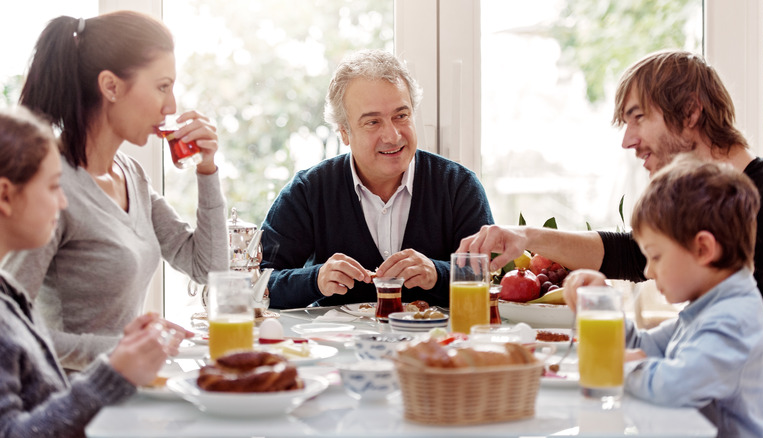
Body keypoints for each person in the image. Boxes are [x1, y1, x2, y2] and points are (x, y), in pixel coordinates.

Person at [456, 49, 763, 418]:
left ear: (690, 112)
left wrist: (630, 364)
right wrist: (528, 238)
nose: (628, 140)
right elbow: (630, 254)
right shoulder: (701, 219)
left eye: (638, 118)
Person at [0, 11, 229, 371]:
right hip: (69, 399)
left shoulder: (130, 173)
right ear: (111, 87)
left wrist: (207, 168)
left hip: (125, 388)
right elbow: (13, 327)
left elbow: (209, 268)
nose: (171, 106)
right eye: (162, 86)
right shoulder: (54, 187)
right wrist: (129, 348)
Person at [0, 106, 191, 438]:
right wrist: (113, 371)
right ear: (5, 195)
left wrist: (125, 346)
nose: (63, 202)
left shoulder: (8, 297)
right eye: (53, 187)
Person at [561, 156, 763, 438]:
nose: (648, 271)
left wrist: (628, 366)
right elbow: (644, 345)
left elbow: (675, 387)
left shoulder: (734, 319)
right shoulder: (708, 307)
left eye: (655, 256)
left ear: (703, 249)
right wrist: (602, 303)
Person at [260, 49, 493, 309]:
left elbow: (492, 282)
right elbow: (257, 283)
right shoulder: (308, 191)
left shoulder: (459, 187)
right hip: (337, 347)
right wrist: (315, 279)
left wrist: (436, 274)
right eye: (372, 122)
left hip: (438, 346)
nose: (392, 136)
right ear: (344, 133)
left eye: (401, 116)